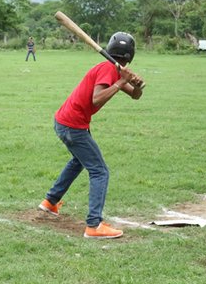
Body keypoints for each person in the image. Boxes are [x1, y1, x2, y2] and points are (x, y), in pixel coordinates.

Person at [38, 32, 144, 239]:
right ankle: (94, 225)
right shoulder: (108, 69)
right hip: (72, 125)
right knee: (100, 171)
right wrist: (121, 83)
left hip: (66, 122)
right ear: (131, 55)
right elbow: (97, 99)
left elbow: (134, 95)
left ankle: (50, 201)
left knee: (78, 161)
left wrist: (137, 86)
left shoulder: (114, 70)